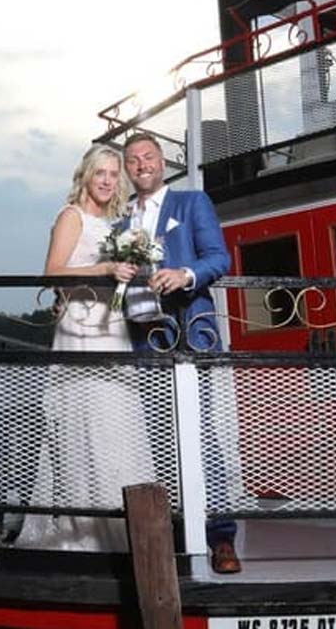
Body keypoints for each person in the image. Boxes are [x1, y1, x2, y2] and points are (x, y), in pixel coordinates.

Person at [15, 145, 155, 552]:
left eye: (114, 174)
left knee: (116, 423)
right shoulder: (71, 216)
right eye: (101, 173)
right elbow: (51, 273)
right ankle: (86, 532)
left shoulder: (115, 223)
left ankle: (126, 528)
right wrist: (105, 269)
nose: (108, 180)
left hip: (112, 327)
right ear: (86, 176)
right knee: (85, 422)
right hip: (81, 327)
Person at [122, 132, 242, 574]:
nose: (142, 165)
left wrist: (185, 274)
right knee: (158, 438)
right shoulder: (122, 220)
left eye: (148, 156)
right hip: (145, 339)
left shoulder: (191, 203)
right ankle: (177, 532)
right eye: (133, 160)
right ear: (128, 169)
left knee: (200, 433)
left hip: (191, 333)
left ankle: (221, 536)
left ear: (162, 161)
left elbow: (219, 259)